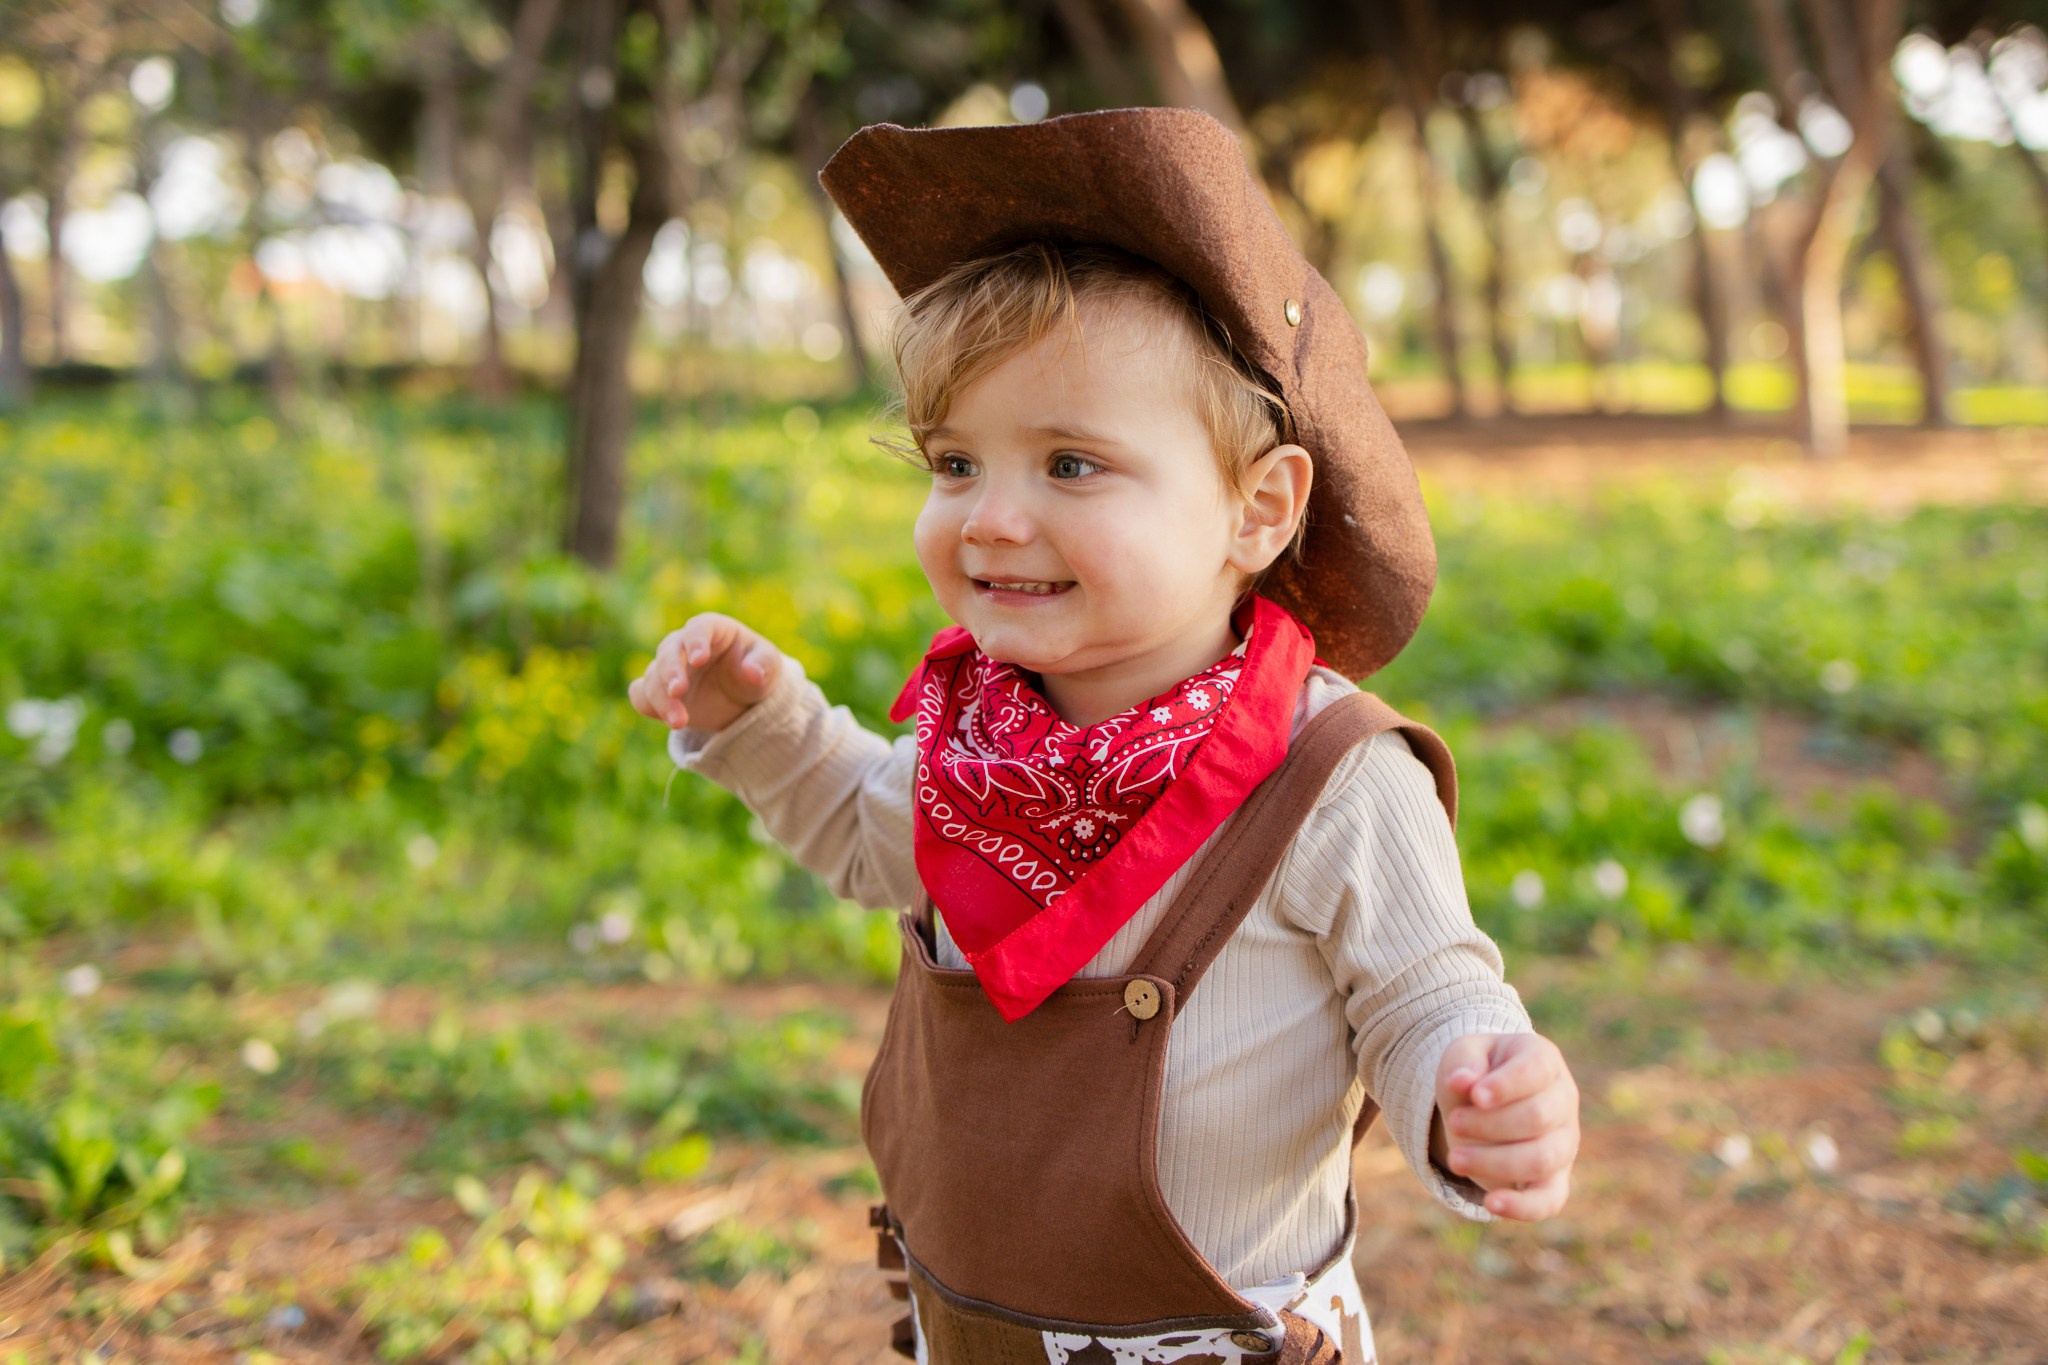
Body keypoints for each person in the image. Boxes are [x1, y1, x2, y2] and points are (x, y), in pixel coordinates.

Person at [629, 108, 1579, 1364]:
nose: (989, 519)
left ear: (1256, 508)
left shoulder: (1329, 776)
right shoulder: (980, 738)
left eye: (1070, 466)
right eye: (953, 461)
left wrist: (1475, 1087)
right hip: (969, 1329)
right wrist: (764, 726)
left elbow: (1419, 992)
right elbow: (872, 835)